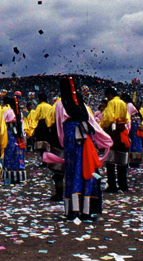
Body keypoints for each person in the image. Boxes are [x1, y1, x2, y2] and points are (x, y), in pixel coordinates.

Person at [55, 76, 112, 219]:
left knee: (72, 172)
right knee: (88, 170)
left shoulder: (59, 105)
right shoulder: (83, 106)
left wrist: (65, 144)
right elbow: (93, 125)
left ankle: (72, 210)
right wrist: (106, 141)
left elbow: (59, 129)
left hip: (70, 142)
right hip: (86, 141)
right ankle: (87, 209)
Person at [100, 87, 130, 193]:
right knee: (121, 161)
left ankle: (112, 185)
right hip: (122, 130)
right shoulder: (122, 103)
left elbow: (107, 118)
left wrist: (102, 126)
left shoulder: (111, 103)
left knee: (110, 161)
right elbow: (127, 118)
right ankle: (123, 185)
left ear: (110, 95)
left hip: (112, 132)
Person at [1, 96, 27, 184]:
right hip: (18, 136)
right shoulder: (20, 113)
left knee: (9, 155)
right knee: (18, 156)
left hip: (9, 134)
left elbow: (2, 123)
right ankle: (18, 178)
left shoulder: (7, 112)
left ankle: (8, 179)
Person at [124, 94, 143, 167]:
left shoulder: (129, 105)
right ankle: (135, 161)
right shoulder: (130, 105)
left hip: (134, 126)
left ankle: (134, 161)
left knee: (134, 143)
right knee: (135, 143)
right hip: (135, 125)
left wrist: (127, 128)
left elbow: (128, 117)